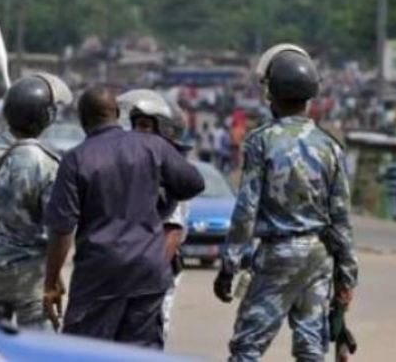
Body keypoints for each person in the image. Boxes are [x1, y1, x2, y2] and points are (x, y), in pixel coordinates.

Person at [213, 44, 358, 362]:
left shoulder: (260, 141)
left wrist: (229, 264)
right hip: (318, 257)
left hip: (277, 254)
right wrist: (347, 273)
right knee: (311, 349)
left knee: (247, 347)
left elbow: (246, 209)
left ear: (271, 93)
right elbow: (341, 218)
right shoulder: (330, 147)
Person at [43, 87, 204, 349]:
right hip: (147, 273)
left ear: (82, 120)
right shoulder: (154, 146)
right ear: (117, 115)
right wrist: (161, 202)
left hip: (98, 275)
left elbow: (62, 229)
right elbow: (194, 183)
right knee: (138, 354)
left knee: (81, 352)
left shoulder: (75, 160)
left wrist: (50, 282)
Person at [0, 73, 71, 330]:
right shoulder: (48, 163)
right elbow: (58, 230)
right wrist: (53, 281)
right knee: (39, 353)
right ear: (46, 117)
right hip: (33, 279)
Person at [118, 88, 192, 341]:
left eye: (145, 126)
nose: (138, 132)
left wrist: (146, 278)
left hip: (151, 275)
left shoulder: (171, 171)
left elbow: (172, 232)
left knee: (148, 341)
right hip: (121, 271)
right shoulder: (127, 164)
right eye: (136, 125)